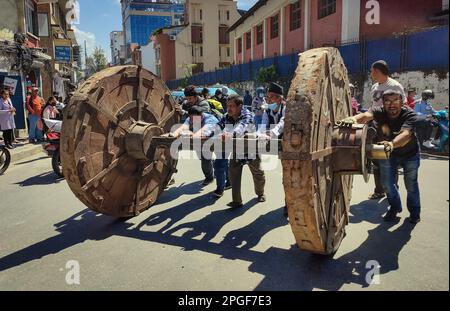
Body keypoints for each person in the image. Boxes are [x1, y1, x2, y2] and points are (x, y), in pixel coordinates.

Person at [340, 89, 422, 224]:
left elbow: (406, 135)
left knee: (411, 184)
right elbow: (366, 115)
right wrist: (353, 119)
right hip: (387, 153)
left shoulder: (410, 115)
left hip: (409, 154)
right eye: (387, 101)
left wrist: (391, 144)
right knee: (387, 184)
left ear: (402, 102)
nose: (392, 104)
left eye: (395, 100)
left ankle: (414, 212)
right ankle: (395, 208)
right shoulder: (379, 111)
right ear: (383, 103)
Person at [218, 94, 266, 208]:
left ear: (240, 106)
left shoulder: (247, 115)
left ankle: (260, 193)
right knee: (233, 174)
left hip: (251, 149)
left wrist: (231, 134)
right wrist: (203, 133)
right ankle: (237, 201)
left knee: (258, 173)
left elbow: (242, 126)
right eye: (227, 106)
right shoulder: (227, 116)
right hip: (237, 149)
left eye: (232, 106)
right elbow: (217, 125)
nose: (228, 108)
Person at [367, 60, 406, 200]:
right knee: (376, 159)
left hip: (390, 128)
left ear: (377, 71)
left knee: (390, 158)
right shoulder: (374, 87)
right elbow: (372, 107)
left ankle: (393, 189)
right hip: (376, 127)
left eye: (372, 71)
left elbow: (403, 106)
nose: (371, 73)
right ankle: (379, 190)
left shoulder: (394, 86)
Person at [171, 105, 216, 186]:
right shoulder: (191, 118)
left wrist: (190, 135)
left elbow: (204, 131)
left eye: (194, 118)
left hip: (215, 139)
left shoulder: (210, 119)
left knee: (207, 159)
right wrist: (174, 134)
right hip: (199, 139)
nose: (192, 120)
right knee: (202, 158)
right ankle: (212, 163)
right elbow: (183, 127)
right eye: (191, 118)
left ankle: (210, 178)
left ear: (201, 115)